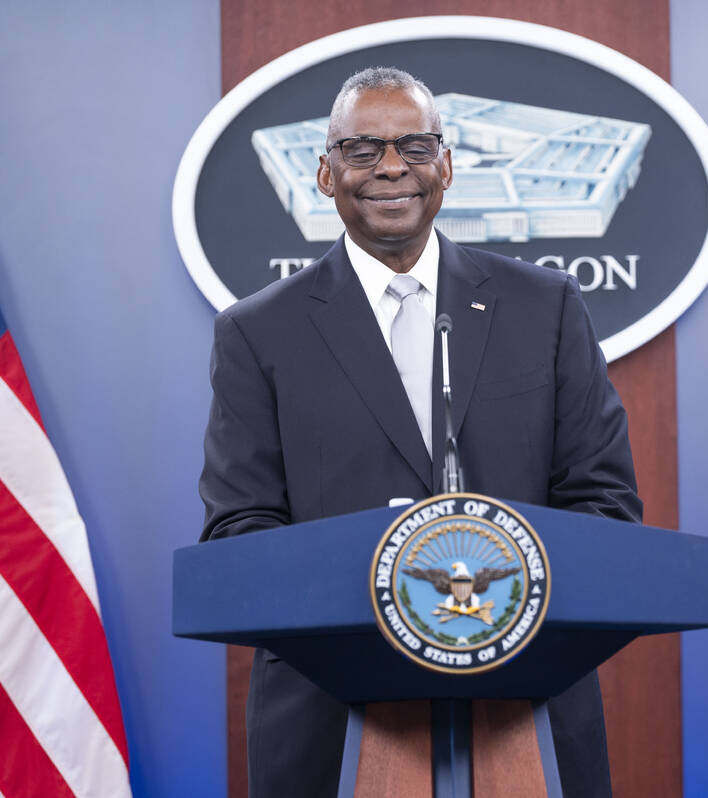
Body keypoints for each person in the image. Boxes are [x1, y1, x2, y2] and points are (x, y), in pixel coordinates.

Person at [199, 67, 641, 797]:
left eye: (414, 144)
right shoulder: (257, 332)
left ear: (447, 166)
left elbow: (606, 506)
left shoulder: (545, 308)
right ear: (324, 173)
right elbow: (241, 530)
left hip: (522, 708)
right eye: (363, 149)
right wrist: (384, 599)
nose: (392, 166)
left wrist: (502, 610)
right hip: (330, 717)